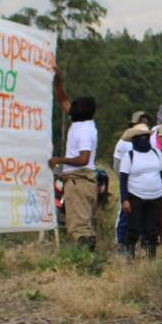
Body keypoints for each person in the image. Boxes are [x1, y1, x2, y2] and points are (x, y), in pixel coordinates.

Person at [120, 123, 162, 257]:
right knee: (134, 228)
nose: (145, 139)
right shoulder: (129, 156)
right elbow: (123, 179)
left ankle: (151, 257)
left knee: (152, 229)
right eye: (142, 137)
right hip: (136, 196)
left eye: (147, 136)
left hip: (156, 197)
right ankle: (130, 256)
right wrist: (125, 200)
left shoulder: (156, 153)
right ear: (135, 139)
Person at [49, 93, 99, 248]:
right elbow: (62, 100)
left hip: (80, 180)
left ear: (83, 110)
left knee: (79, 226)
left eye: (76, 105)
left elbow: (83, 158)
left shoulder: (84, 130)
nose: (72, 107)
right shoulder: (82, 123)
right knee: (80, 222)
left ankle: (85, 261)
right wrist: (57, 80)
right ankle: (86, 260)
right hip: (77, 180)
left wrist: (60, 160)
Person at [113, 110, 152, 249]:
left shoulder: (148, 142)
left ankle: (139, 244)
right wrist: (126, 182)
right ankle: (121, 244)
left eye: (146, 122)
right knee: (124, 215)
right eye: (141, 121)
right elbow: (117, 165)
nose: (144, 124)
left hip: (144, 186)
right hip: (129, 184)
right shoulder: (123, 143)